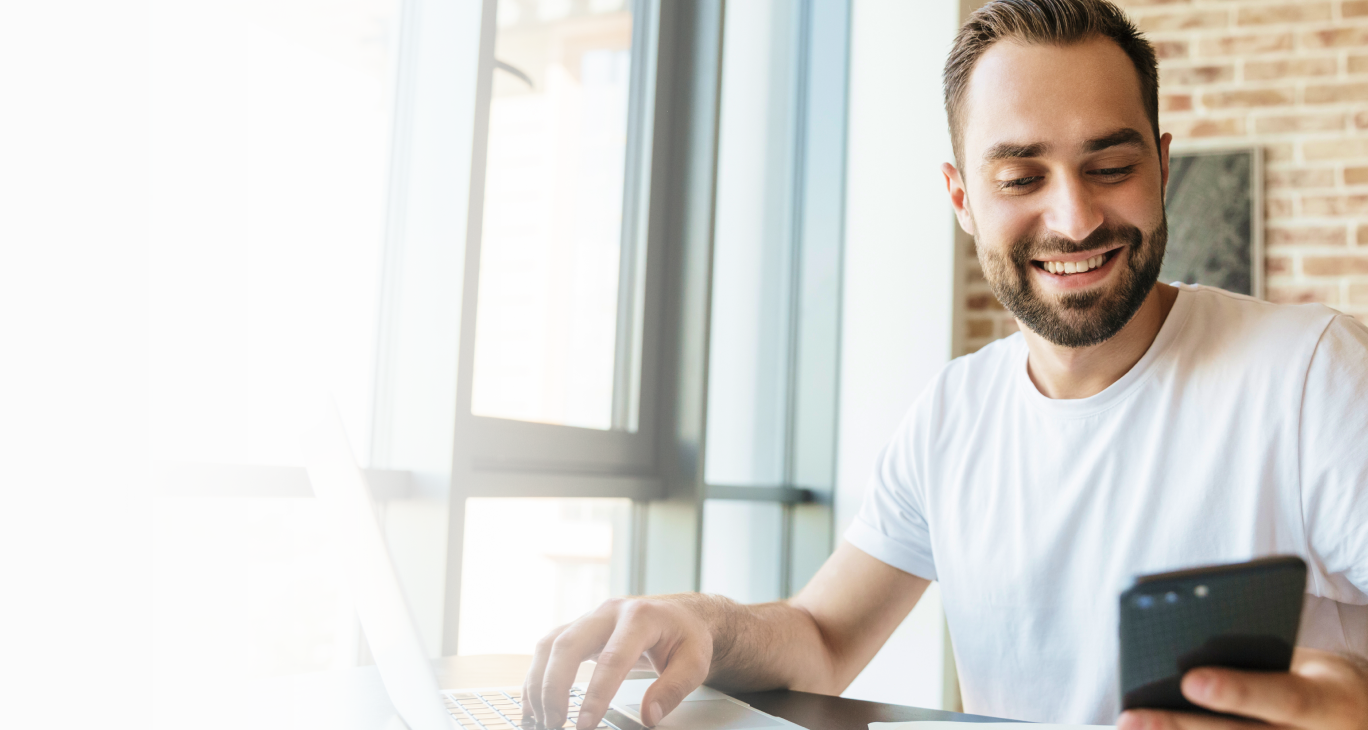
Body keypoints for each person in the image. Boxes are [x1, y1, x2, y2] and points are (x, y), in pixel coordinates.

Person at [519, 1, 1368, 728]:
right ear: (962, 198)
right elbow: (822, 637)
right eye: (1021, 176)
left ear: (1161, 163)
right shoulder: (955, 412)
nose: (1074, 219)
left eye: (1110, 167)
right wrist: (700, 623)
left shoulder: (1310, 376)